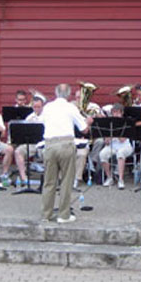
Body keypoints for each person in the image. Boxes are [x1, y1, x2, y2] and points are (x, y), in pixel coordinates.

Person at [41, 83, 91, 223]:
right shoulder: (71, 107)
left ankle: (46, 214)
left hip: (49, 144)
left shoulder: (47, 107)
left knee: (49, 182)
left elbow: (43, 123)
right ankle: (64, 215)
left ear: (56, 93)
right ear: (68, 94)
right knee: (66, 181)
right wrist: (89, 122)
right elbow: (84, 129)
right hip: (66, 144)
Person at [99, 104, 134, 189]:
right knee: (102, 154)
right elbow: (106, 142)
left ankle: (120, 179)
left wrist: (115, 131)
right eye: (114, 113)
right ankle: (109, 177)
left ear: (121, 113)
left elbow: (122, 139)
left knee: (120, 154)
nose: (116, 115)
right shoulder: (109, 124)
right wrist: (107, 139)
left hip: (125, 146)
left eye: (118, 113)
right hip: (112, 146)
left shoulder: (126, 123)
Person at [15, 96, 45, 186]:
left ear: (42, 106)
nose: (37, 109)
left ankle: (48, 179)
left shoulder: (48, 116)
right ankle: (24, 178)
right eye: (35, 107)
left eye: (39, 107)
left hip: (44, 143)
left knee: (48, 153)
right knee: (18, 151)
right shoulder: (29, 117)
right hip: (32, 143)